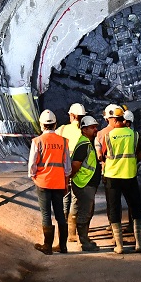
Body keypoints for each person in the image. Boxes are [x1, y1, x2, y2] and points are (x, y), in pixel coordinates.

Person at [97, 104, 141, 254]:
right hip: (129, 175)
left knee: (114, 208)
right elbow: (139, 155)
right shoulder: (134, 135)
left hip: (112, 177)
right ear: (123, 118)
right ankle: (140, 243)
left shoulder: (107, 136)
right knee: (136, 207)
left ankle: (119, 245)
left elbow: (103, 155)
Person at [29, 109, 71, 255]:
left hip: (43, 183)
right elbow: (67, 167)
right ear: (55, 124)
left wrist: (34, 176)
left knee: (46, 214)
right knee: (60, 214)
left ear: (41, 125)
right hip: (58, 183)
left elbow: (32, 164)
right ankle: (63, 246)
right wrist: (65, 181)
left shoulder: (37, 141)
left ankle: (47, 246)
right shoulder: (64, 141)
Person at [68, 115, 102, 252]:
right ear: (84, 129)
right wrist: (72, 178)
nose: (95, 129)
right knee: (85, 211)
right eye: (92, 127)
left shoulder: (87, 143)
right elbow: (75, 165)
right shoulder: (84, 145)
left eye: (96, 127)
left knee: (86, 210)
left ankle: (84, 238)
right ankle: (84, 242)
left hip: (86, 183)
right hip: (84, 183)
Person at [57, 103, 87, 241]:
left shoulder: (62, 129)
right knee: (76, 199)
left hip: (64, 169)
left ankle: (63, 227)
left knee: (65, 197)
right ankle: (72, 232)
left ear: (73, 115)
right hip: (80, 171)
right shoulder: (85, 131)